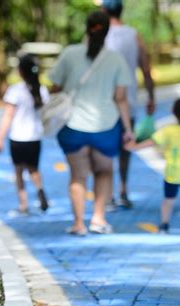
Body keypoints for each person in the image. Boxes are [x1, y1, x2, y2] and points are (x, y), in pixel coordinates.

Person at [49, 11, 134, 235]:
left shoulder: (69, 54)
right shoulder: (116, 59)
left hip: (72, 126)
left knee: (78, 175)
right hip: (106, 126)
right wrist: (127, 129)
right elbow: (121, 98)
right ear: (107, 30)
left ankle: (79, 223)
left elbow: (55, 88)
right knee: (104, 172)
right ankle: (98, 219)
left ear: (86, 28)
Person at [125, 98, 180, 237]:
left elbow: (152, 142)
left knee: (168, 199)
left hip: (172, 174)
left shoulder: (168, 131)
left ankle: (164, 225)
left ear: (174, 113)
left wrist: (133, 147)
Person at [101, 0, 155, 209]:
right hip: (129, 100)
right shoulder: (134, 35)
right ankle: (123, 189)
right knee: (126, 146)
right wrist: (151, 96)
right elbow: (146, 68)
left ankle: (107, 194)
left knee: (105, 149)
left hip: (104, 102)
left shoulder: (100, 35)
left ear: (105, 11)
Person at [0, 54, 49, 214]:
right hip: (35, 137)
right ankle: (40, 189)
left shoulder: (15, 91)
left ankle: (23, 204)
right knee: (34, 168)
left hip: (18, 137)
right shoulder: (42, 90)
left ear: (20, 71)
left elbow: (8, 116)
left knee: (19, 171)